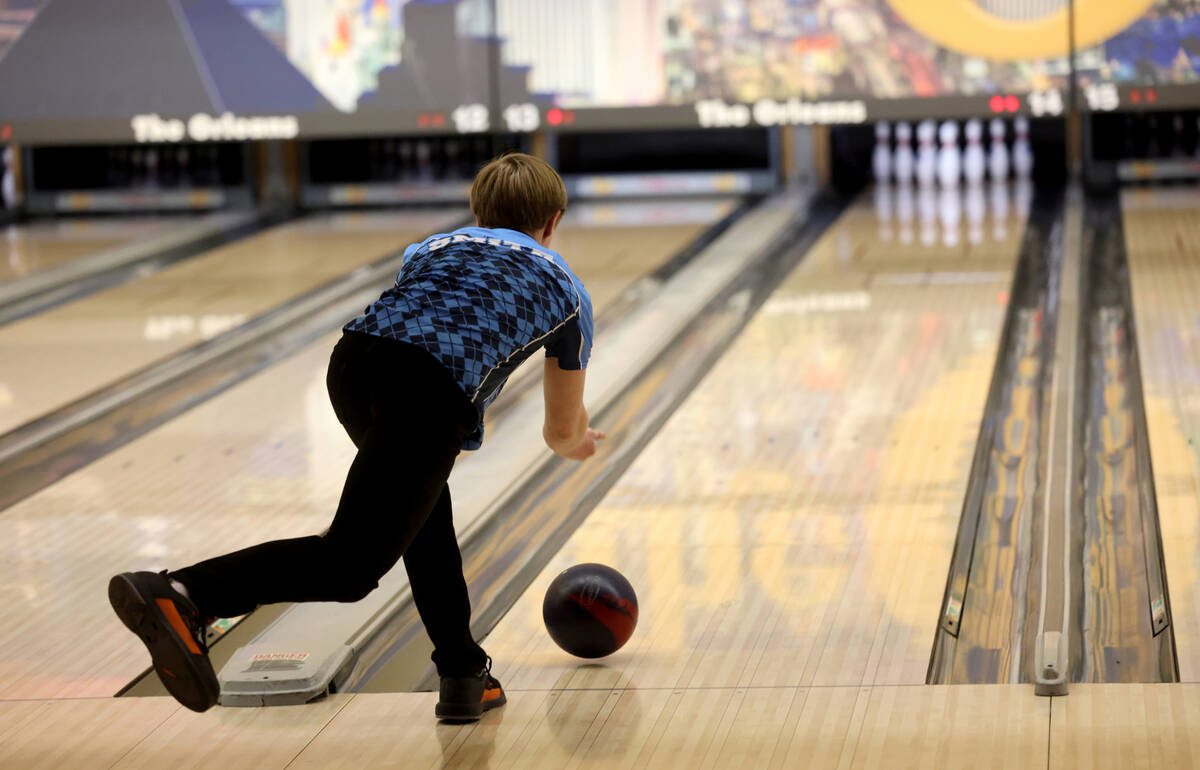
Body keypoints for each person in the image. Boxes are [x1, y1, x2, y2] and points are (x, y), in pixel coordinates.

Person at [108, 152, 602, 721]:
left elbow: (418, 316)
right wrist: (581, 442)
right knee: (351, 567)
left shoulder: (433, 247)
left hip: (353, 365)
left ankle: (464, 672)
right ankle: (186, 594)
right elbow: (561, 432)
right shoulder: (567, 291)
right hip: (429, 387)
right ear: (554, 220)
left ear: (478, 211)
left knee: (422, 515)